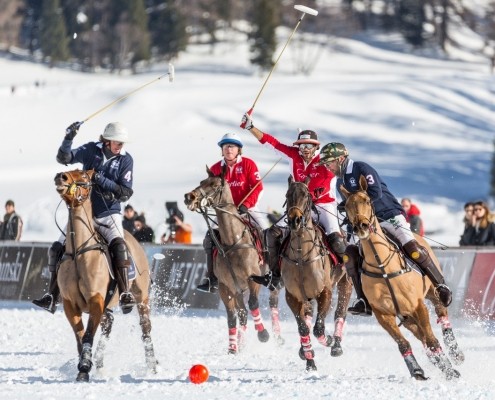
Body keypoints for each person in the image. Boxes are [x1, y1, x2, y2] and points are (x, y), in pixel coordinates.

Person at [318, 142, 452, 316]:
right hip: (362, 224)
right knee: (350, 255)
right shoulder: (339, 182)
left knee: (411, 247)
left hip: (388, 215)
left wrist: (356, 203)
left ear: (341, 158)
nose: (327, 167)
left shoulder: (360, 167)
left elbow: (375, 192)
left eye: (329, 162)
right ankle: (363, 300)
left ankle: (440, 285)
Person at [32, 121, 136, 314]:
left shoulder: (125, 160)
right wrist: (68, 138)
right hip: (84, 214)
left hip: (108, 214)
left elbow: (126, 192)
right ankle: (51, 296)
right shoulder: (90, 150)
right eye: (117, 142)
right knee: (56, 248)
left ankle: (124, 294)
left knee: (120, 246)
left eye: (122, 142)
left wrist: (101, 180)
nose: (120, 145)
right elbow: (64, 157)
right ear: (106, 141)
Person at [240, 112, 346, 290]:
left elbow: (337, 173)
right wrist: (250, 127)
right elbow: (271, 142)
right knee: (270, 234)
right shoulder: (293, 155)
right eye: (301, 145)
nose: (304, 149)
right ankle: (274, 275)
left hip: (324, 206)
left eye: (308, 146)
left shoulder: (324, 160)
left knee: (336, 239)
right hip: (301, 207)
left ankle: (348, 271)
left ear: (315, 147)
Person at [196, 132, 268, 293]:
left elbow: (258, 188)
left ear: (238, 150)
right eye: (225, 146)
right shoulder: (215, 169)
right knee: (209, 238)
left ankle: (271, 272)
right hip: (225, 214)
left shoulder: (249, 164)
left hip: (247, 209)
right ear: (222, 150)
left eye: (232, 146)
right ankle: (211, 277)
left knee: (265, 232)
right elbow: (210, 192)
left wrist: (247, 205)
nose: (229, 149)